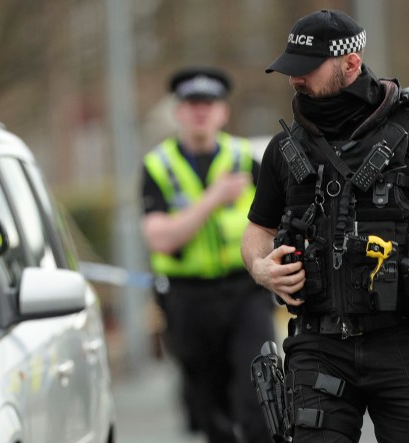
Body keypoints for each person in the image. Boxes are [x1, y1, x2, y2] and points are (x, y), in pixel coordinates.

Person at [240, 9, 409, 443]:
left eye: (306, 69)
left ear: (351, 63)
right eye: (290, 70)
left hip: (404, 342)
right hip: (318, 343)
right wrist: (259, 267)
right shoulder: (283, 150)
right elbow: (256, 231)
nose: (294, 80)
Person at [140, 66, 275, 443]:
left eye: (209, 103)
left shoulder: (246, 160)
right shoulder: (158, 166)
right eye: (191, 104)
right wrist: (212, 199)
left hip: (245, 292)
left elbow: (277, 226)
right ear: (178, 112)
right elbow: (159, 238)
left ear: (223, 112)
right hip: (188, 300)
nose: (200, 111)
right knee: (207, 407)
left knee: (261, 392)